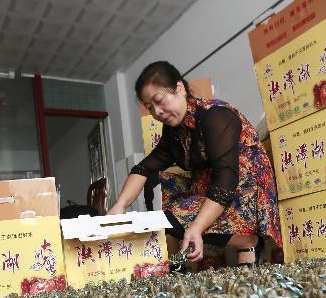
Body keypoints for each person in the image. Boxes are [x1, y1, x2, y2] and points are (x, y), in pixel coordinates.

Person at [108, 61, 281, 266]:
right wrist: (119, 207)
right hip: (212, 189)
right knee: (163, 184)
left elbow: (225, 179)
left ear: (180, 89)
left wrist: (197, 227)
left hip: (244, 191)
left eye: (159, 100)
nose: (157, 112)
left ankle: (249, 239)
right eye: (150, 107)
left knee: (173, 220)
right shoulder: (174, 132)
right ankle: (233, 244)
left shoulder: (215, 115)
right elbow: (143, 168)